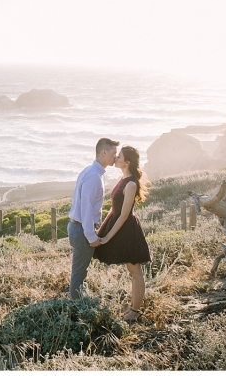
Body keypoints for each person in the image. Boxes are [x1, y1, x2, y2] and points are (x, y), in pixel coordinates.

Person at [93, 145, 151, 322]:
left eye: (119, 157)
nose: (116, 158)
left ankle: (134, 312)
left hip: (127, 231)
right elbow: (114, 210)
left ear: (127, 162)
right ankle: (133, 309)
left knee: (135, 271)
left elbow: (124, 215)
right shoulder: (123, 179)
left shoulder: (131, 183)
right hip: (118, 225)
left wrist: (108, 236)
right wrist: (102, 229)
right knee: (132, 271)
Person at [68, 138, 119, 300]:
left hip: (78, 227)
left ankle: (77, 303)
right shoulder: (94, 177)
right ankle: (75, 310)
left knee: (80, 271)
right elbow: (86, 210)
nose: (115, 157)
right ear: (104, 153)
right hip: (82, 229)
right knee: (79, 273)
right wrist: (91, 236)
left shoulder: (90, 171)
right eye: (113, 153)